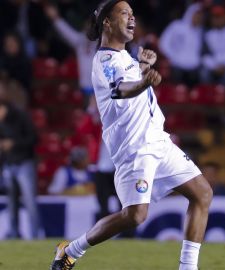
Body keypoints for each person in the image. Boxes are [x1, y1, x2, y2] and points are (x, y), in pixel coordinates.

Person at [50, 2, 213, 270]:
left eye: (133, 14)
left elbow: (134, 88)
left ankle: (188, 267)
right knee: (135, 216)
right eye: (124, 13)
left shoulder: (127, 56)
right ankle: (71, 250)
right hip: (135, 148)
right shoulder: (104, 59)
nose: (132, 18)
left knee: (202, 194)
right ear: (107, 22)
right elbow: (119, 90)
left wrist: (143, 68)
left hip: (159, 140)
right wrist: (144, 80)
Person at [0, 101, 39, 239]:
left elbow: (34, 138)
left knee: (30, 201)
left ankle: (35, 234)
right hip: (8, 165)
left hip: (25, 164)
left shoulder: (21, 116)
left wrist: (14, 143)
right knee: (11, 202)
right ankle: (14, 233)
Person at [43, 3, 97, 100]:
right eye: (88, 24)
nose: (89, 27)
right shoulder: (79, 41)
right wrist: (55, 18)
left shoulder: (103, 43)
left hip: (100, 90)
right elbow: (65, 31)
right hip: (84, 90)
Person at [159, 3, 204, 87]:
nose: (198, 18)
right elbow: (163, 43)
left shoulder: (200, 32)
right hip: (176, 64)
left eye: (200, 16)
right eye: (197, 15)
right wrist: (172, 56)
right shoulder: (176, 26)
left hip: (194, 67)